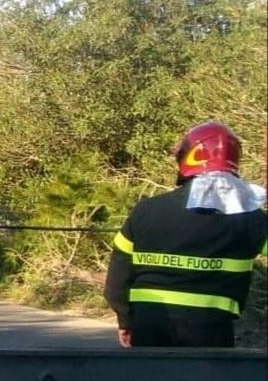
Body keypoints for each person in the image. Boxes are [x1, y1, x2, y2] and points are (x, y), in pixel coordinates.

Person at [103, 121, 267, 348]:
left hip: (149, 325)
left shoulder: (146, 210)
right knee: (205, 374)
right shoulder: (251, 218)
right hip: (211, 329)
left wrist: (126, 319)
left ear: (187, 157)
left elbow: (117, 278)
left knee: (151, 373)